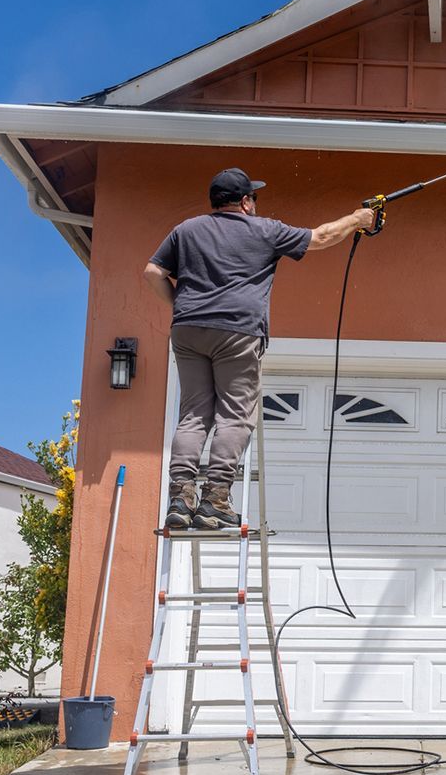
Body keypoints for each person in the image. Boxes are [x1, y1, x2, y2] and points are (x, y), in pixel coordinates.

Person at [144, 168, 375, 531]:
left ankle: (180, 497)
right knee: (235, 414)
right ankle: (214, 500)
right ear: (246, 202)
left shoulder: (186, 230)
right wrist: (358, 218)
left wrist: (181, 306)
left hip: (188, 329)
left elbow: (152, 272)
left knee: (193, 415)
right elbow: (322, 237)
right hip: (238, 331)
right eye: (254, 197)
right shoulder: (265, 229)